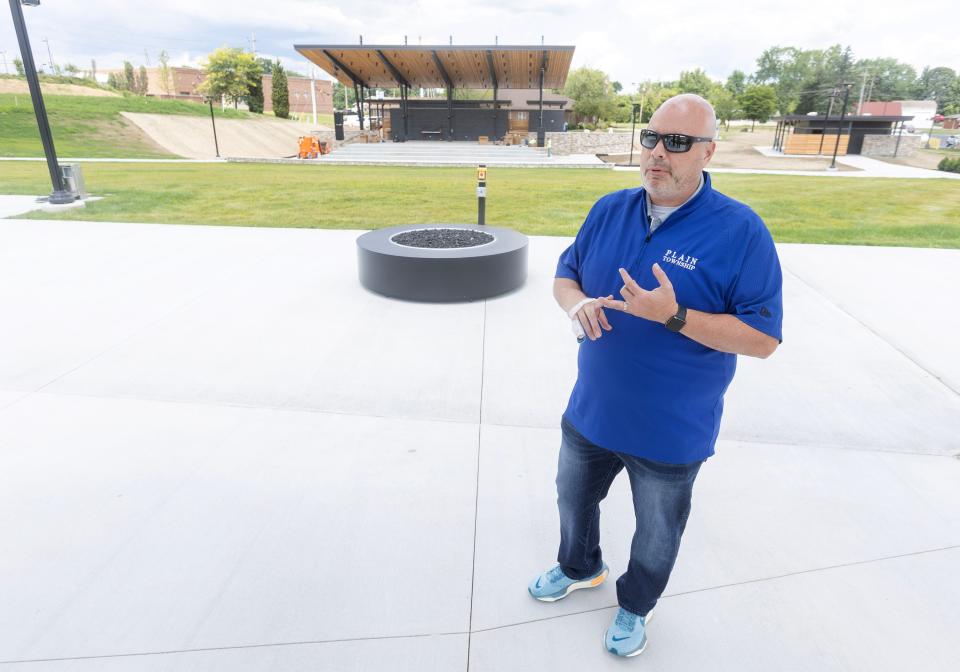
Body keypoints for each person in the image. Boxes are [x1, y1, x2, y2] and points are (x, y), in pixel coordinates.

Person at [527, 94, 783, 658]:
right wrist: (576, 306)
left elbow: (763, 340)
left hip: (671, 431)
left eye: (677, 142)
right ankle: (580, 566)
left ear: (709, 151)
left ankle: (635, 606)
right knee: (573, 501)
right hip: (592, 410)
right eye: (651, 138)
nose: (657, 153)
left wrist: (673, 315)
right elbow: (564, 276)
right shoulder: (609, 209)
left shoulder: (741, 232)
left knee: (656, 533)